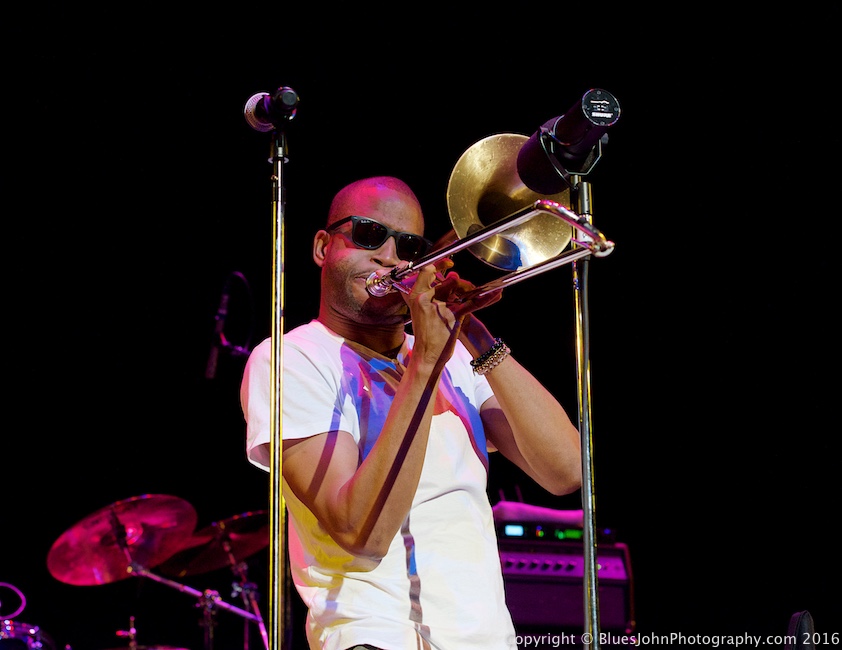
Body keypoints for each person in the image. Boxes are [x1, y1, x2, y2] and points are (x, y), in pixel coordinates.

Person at [240, 176, 582, 650]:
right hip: (375, 637)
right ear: (322, 247)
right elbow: (360, 534)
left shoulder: (456, 357)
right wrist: (425, 363)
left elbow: (566, 471)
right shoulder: (291, 359)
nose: (388, 257)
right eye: (368, 234)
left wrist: (475, 333)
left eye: (409, 247)